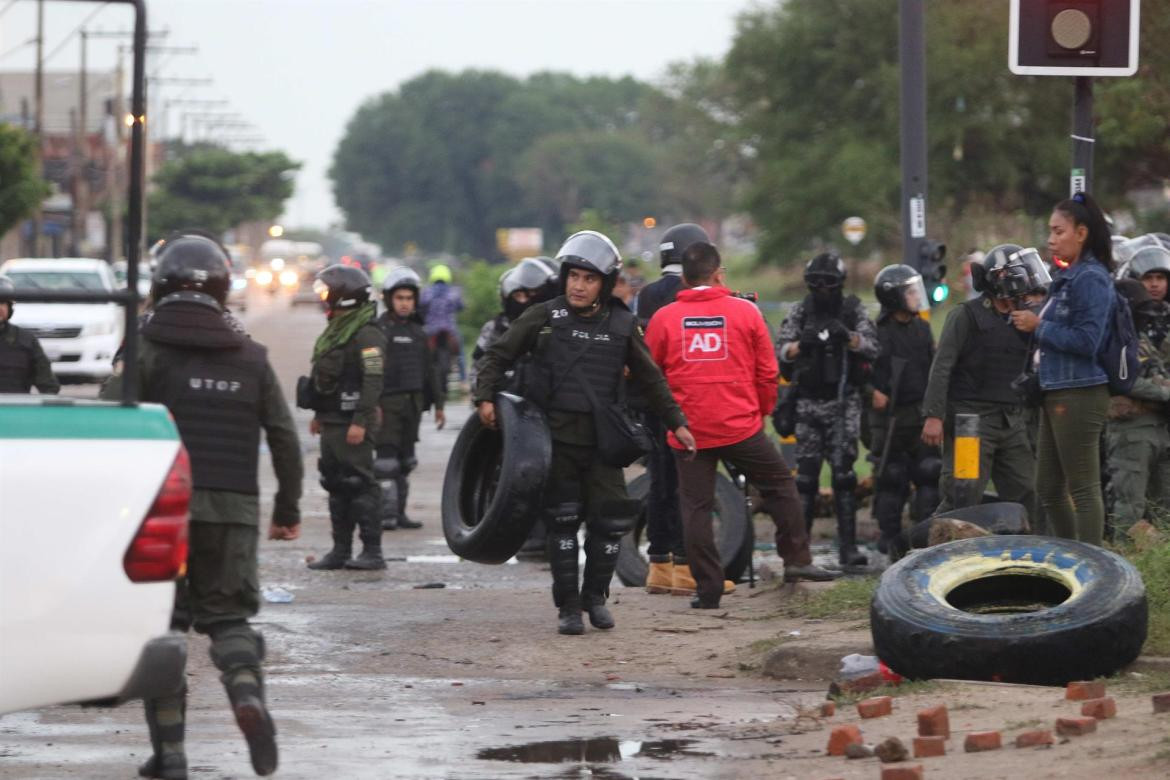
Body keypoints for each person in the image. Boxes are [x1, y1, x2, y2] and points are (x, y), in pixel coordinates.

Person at [100, 234, 303, 779]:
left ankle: (170, 756)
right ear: (222, 287)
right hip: (233, 510)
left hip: (161, 510)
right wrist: (287, 509)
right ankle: (248, 697)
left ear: (159, 284)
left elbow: (108, 421)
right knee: (229, 619)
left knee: (163, 632)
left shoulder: (145, 350)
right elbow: (284, 438)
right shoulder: (252, 359)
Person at [475, 230, 696, 635]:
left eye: (589, 278)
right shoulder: (543, 317)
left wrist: (678, 422)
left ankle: (596, 598)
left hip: (603, 444)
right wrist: (484, 398)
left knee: (610, 521)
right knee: (562, 521)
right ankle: (569, 607)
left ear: (604, 283)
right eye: (574, 276)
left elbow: (652, 380)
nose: (578, 285)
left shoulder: (623, 324)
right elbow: (497, 354)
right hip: (553, 441)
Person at [645, 242, 834, 608]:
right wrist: (759, 412)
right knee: (780, 486)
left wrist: (672, 419)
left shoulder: (664, 319)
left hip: (689, 431)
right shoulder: (746, 312)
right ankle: (797, 561)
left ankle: (708, 589)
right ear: (719, 274)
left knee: (696, 507)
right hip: (741, 427)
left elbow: (652, 375)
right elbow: (767, 372)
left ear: (683, 278)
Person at [1009, 192, 1116, 545]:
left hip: (1080, 391)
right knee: (1048, 488)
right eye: (1050, 232)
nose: (1051, 239)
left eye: (1058, 231)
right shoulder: (1065, 276)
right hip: (1056, 388)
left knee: (1083, 489)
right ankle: (1072, 558)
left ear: (1081, 233)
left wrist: (1037, 325)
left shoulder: (1091, 278)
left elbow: (1089, 341)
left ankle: (1093, 568)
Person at [632, 222, 730, 595]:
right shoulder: (697, 293)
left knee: (660, 484)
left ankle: (659, 567)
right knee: (690, 489)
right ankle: (689, 568)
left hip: (654, 403)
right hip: (691, 403)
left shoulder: (647, 295)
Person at [776, 251, 879, 566]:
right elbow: (780, 349)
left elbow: (873, 346)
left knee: (844, 477)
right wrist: (800, 346)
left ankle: (847, 547)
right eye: (816, 284)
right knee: (805, 480)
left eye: (828, 284)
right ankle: (800, 550)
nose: (822, 290)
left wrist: (848, 338)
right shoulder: (799, 311)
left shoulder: (853, 309)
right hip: (807, 402)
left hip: (843, 401)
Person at [921, 244, 1039, 516]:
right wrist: (934, 416)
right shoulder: (966, 315)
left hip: (1011, 421)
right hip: (970, 423)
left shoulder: (1026, 319)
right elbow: (942, 366)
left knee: (1027, 491)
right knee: (963, 493)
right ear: (1000, 278)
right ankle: (940, 548)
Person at [300, 264, 389, 570]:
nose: (323, 298)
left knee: (360, 484)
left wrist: (360, 422)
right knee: (335, 483)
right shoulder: (337, 330)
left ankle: (372, 551)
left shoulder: (366, 334)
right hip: (332, 420)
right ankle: (340, 550)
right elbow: (326, 377)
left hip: (353, 424)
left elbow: (373, 381)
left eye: (327, 292)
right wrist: (319, 413)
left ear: (344, 297)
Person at [868, 264, 939, 553]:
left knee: (929, 472)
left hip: (920, 415)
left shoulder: (922, 329)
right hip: (890, 420)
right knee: (891, 478)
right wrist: (872, 391)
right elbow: (861, 371)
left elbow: (934, 367)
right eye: (910, 292)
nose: (916, 296)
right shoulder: (878, 333)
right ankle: (890, 539)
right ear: (894, 296)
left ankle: (923, 535)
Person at [374, 267, 445, 531]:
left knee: (405, 462)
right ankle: (385, 514)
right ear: (389, 299)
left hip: (412, 405)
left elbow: (431, 371)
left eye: (409, 298)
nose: (404, 303)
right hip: (386, 405)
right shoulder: (379, 330)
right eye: (399, 298)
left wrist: (439, 405)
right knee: (385, 463)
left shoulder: (419, 333)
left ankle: (400, 513)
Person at [1105, 279, 1170, 537]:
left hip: (1158, 428)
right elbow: (1124, 382)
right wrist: (1163, 392)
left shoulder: (1138, 337)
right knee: (1129, 506)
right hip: (1131, 430)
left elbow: (1157, 370)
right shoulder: (1111, 338)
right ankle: (1125, 561)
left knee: (1163, 505)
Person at [0, 276, 60, 394]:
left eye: (2, 302)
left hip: (15, 409)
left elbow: (49, 386)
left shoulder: (25, 340)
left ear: (10, 307)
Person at [419, 264, 464, 398]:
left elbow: (420, 307)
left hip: (431, 330)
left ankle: (418, 378)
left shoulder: (426, 292)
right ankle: (463, 380)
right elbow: (460, 306)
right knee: (460, 353)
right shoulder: (454, 292)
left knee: (420, 352)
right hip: (450, 330)